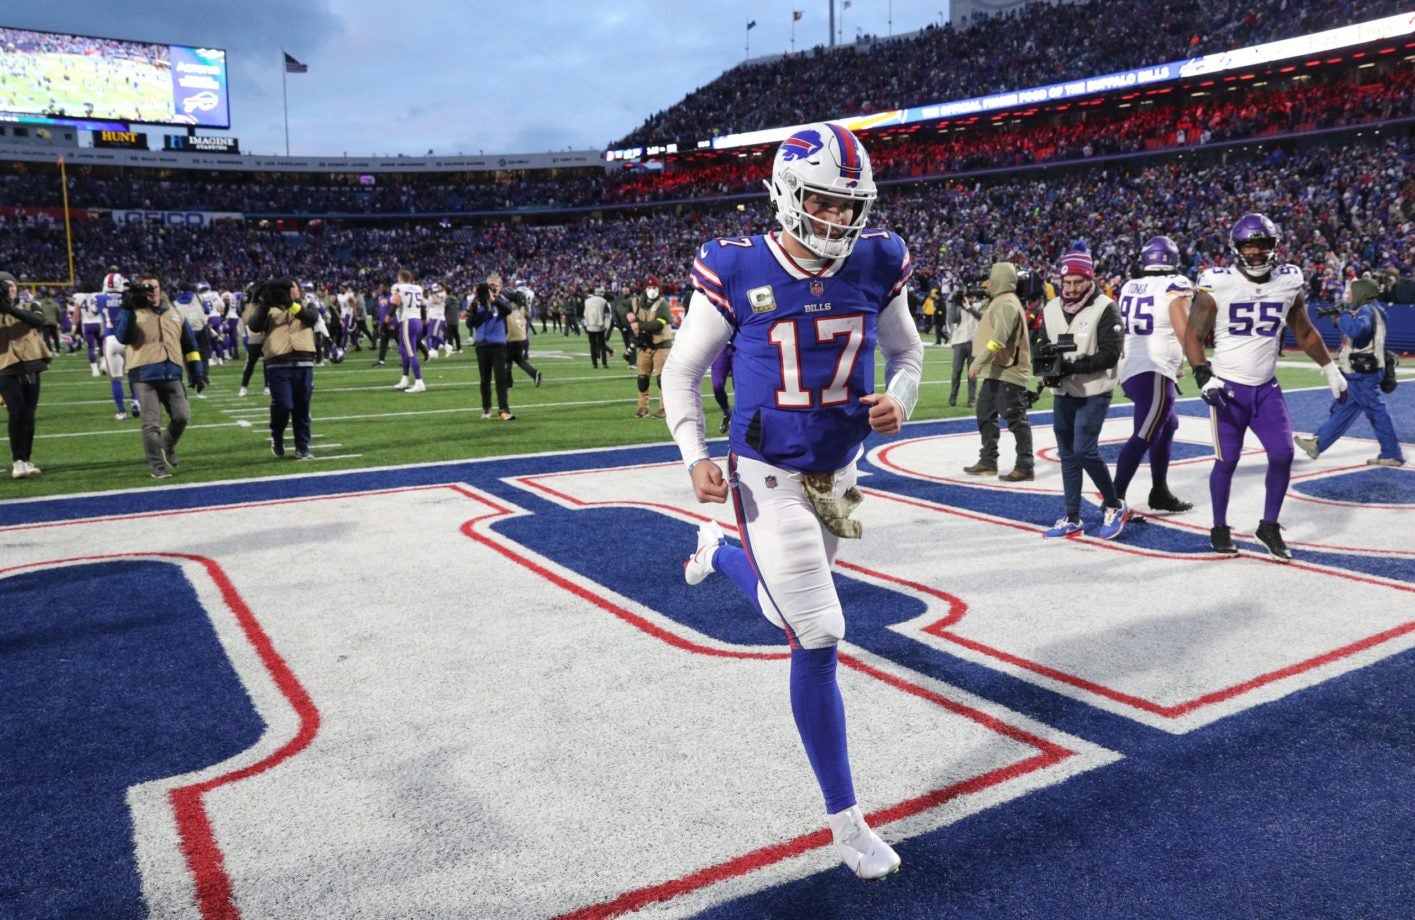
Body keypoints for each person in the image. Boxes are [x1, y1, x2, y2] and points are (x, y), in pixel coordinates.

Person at [662, 122, 920, 881]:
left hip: (837, 470)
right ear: (784, 193)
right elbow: (681, 372)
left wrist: (900, 398)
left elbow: (908, 352)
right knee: (815, 632)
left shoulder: (880, 259)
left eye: (848, 206)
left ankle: (716, 551)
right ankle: (846, 823)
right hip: (765, 467)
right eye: (822, 202)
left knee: (788, 615)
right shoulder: (736, 266)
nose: (837, 221)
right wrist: (693, 457)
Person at [1184, 213, 1347, 561]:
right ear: (1236, 248)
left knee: (1283, 454)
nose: (1256, 252)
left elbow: (1303, 332)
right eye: (1249, 245)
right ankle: (1219, 526)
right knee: (1226, 461)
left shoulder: (1288, 281)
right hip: (1227, 388)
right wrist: (1203, 375)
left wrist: (1330, 368)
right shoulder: (1217, 283)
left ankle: (1268, 525)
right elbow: (1194, 335)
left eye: (1263, 245)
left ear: (1275, 246)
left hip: (1266, 387)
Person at [1038, 243, 1129, 539]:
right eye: (1068, 282)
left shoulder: (1105, 307)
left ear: (1090, 280)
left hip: (1094, 390)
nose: (1073, 288)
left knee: (1084, 450)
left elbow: (1110, 354)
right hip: (1063, 391)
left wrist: (1070, 366)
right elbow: (1043, 348)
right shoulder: (1051, 308)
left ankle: (1114, 504)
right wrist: (1046, 371)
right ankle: (1073, 515)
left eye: (1079, 282)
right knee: (1067, 454)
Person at [1112, 235, 1196, 513]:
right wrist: (1200, 365)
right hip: (1154, 369)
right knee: (1145, 433)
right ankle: (1113, 501)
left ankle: (1159, 490)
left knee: (1167, 424)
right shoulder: (1177, 284)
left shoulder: (1129, 286)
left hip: (1131, 368)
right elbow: (1183, 328)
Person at [1294, 278, 1405, 467]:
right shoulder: (1373, 310)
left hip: (1362, 373)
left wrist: (1344, 315)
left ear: (1361, 293)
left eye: (1352, 293)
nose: (1349, 296)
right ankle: (1318, 443)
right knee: (1343, 408)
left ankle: (1392, 453)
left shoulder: (1366, 311)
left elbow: (1356, 330)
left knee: (1376, 412)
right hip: (1361, 372)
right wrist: (1342, 319)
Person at [114, 272, 208, 479]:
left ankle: (168, 445)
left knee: (182, 416)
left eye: (154, 286)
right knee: (151, 424)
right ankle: (157, 467)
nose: (152, 291)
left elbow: (190, 345)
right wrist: (128, 308)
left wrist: (197, 372)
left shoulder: (174, 312)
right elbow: (123, 337)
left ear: (160, 288)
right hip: (144, 374)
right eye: (146, 287)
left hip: (172, 372)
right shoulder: (132, 311)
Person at [965, 262, 1034, 481]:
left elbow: (998, 340)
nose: (987, 283)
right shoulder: (1001, 301)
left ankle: (1025, 465)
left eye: (991, 279)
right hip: (997, 371)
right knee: (984, 414)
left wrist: (978, 363)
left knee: (1015, 420)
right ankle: (988, 460)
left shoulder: (1006, 304)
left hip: (1008, 372)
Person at [247, 278, 319, 459]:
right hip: (278, 362)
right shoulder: (268, 307)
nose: (289, 291)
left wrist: (290, 304)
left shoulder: (307, 303)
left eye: (291, 288)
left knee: (302, 407)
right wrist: (265, 302)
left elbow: (311, 319)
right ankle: (277, 435)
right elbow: (254, 325)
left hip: (304, 361)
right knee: (284, 405)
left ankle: (302, 447)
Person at [0, 270, 52, 478]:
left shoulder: (30, 305)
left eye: (13, 286)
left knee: (29, 414)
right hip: (5, 367)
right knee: (17, 412)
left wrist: (9, 309)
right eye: (7, 287)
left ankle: (27, 458)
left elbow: (38, 321)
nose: (12, 290)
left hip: (30, 365)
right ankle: (17, 460)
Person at [96, 272, 140, 419]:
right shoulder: (127, 297)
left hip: (110, 340)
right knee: (133, 374)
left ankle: (121, 412)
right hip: (127, 338)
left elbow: (94, 310)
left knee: (116, 378)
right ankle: (135, 401)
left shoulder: (98, 298)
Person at [469, 276, 514, 420]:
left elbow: (508, 310)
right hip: (482, 345)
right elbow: (469, 324)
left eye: (495, 285)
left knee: (501, 379)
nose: (493, 288)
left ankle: (503, 409)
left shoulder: (502, 302)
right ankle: (486, 409)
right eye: (490, 286)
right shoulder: (477, 303)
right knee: (485, 379)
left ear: (500, 287)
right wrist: (474, 310)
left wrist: (494, 300)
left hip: (498, 345)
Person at [630, 276, 674, 418]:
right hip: (645, 346)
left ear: (659, 289)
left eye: (654, 288)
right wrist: (628, 316)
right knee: (642, 379)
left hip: (661, 345)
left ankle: (664, 408)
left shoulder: (663, 304)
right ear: (645, 289)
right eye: (649, 288)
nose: (652, 290)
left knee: (662, 379)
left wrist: (639, 326)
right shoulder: (638, 303)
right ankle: (643, 407)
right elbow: (622, 307)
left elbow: (658, 324)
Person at [390, 269, 426, 393]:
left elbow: (394, 303)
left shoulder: (400, 288)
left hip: (408, 321)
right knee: (404, 350)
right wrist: (424, 319)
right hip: (417, 320)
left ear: (400, 278)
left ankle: (419, 381)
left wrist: (387, 318)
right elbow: (422, 304)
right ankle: (405, 379)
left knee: (410, 353)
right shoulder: (418, 288)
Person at [946, 286, 980, 407]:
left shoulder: (977, 306)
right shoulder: (958, 307)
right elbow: (953, 319)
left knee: (972, 373)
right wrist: (953, 303)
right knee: (956, 371)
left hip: (974, 342)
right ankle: (953, 397)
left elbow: (981, 317)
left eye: (971, 297)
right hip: (959, 342)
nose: (969, 299)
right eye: (967, 297)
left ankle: (971, 399)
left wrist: (969, 308)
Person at [504, 287, 543, 387]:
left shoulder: (507, 307)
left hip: (511, 337)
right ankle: (534, 373)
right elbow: (529, 316)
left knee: (507, 360)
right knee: (519, 360)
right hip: (522, 336)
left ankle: (508, 382)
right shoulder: (522, 307)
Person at [582, 286, 613, 369]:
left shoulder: (587, 301)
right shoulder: (604, 301)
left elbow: (585, 314)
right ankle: (604, 363)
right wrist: (607, 326)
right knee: (602, 345)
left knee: (592, 345)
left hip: (590, 326)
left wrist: (586, 324)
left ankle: (594, 364)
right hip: (600, 326)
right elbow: (607, 315)